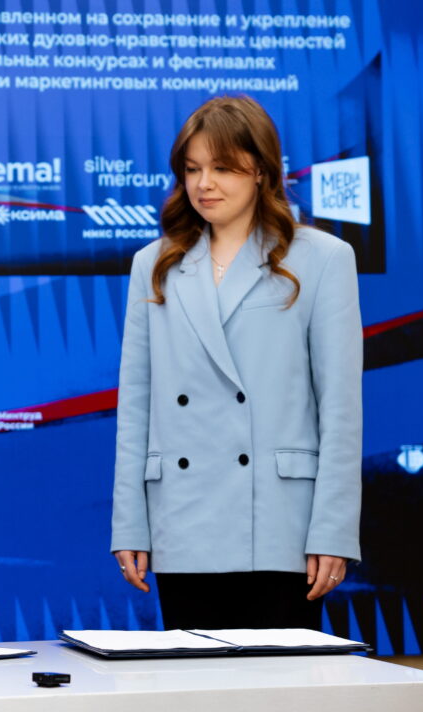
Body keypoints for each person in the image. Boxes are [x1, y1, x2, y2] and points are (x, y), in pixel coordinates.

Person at [110, 95, 362, 630]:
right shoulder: (153, 264)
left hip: (281, 524)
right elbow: (135, 406)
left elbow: (340, 409)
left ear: (262, 170)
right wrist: (129, 523)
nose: (204, 184)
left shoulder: (323, 259)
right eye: (192, 169)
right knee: (197, 677)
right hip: (183, 520)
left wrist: (333, 531)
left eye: (222, 168)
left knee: (282, 680)